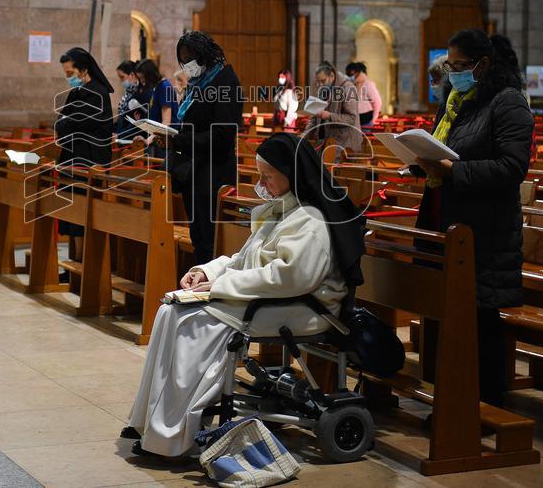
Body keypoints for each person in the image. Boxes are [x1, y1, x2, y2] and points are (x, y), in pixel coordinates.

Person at [124, 133, 365, 457]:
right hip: (272, 299)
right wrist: (208, 273)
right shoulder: (284, 208)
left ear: (291, 173)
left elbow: (291, 277)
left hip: (305, 307)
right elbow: (245, 259)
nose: (261, 183)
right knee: (170, 309)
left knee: (194, 323)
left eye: (268, 175)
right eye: (259, 174)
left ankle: (172, 436)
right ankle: (148, 422)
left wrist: (221, 287)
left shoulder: (311, 219)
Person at [412, 30, 534, 408]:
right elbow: (445, 148)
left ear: (483, 64)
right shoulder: (456, 100)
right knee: (454, 314)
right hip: (447, 218)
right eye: (450, 65)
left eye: (460, 65)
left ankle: (487, 405)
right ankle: (454, 398)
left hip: (486, 230)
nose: (453, 72)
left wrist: (452, 170)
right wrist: (420, 164)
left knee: (482, 320)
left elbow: (512, 168)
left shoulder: (508, 101)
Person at [163, 31, 242, 265]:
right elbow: (191, 126)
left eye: (190, 58)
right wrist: (168, 136)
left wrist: (178, 141)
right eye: (183, 60)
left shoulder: (225, 82)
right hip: (194, 172)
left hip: (213, 174)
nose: (187, 65)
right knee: (198, 236)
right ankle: (196, 287)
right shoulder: (198, 84)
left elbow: (223, 134)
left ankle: (208, 291)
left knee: (210, 240)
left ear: (204, 54)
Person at [55, 47, 114, 261]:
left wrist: (66, 124)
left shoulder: (97, 93)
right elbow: (62, 121)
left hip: (90, 161)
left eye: (70, 73)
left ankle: (84, 262)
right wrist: (65, 124)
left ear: (84, 69)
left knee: (82, 213)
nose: (68, 78)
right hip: (73, 159)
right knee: (72, 213)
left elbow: (77, 123)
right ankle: (76, 261)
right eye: (66, 74)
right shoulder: (77, 92)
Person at [306, 62, 362, 153]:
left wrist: (329, 116)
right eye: (318, 81)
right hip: (326, 142)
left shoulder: (347, 87)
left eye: (323, 81)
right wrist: (304, 135)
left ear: (331, 75)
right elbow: (314, 116)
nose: (320, 85)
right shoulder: (322, 88)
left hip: (345, 144)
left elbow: (351, 118)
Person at [135, 59, 178, 126]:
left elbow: (166, 122)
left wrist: (153, 136)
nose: (141, 81)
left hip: (166, 135)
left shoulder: (164, 87)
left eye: (142, 78)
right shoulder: (157, 87)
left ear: (150, 76)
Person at [345, 62, 383, 128]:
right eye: (350, 74)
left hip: (366, 121)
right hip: (353, 120)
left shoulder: (368, 84)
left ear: (359, 72)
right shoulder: (350, 85)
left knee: (365, 138)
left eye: (354, 73)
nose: (352, 76)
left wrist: (373, 120)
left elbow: (377, 102)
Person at [114, 60, 143, 138]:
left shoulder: (139, 94)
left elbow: (136, 123)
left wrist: (119, 136)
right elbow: (122, 118)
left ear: (132, 75)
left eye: (122, 77)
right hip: (121, 137)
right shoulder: (128, 94)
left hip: (132, 139)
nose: (120, 81)